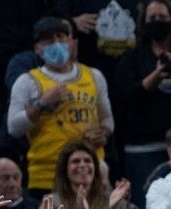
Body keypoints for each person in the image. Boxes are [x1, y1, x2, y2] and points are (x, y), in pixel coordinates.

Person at [7, 17, 115, 196]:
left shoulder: (94, 76)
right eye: (49, 39)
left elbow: (107, 119)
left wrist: (104, 132)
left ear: (71, 42)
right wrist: (42, 104)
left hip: (90, 173)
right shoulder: (27, 81)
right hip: (47, 176)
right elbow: (14, 128)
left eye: (61, 37)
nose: (56, 43)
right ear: (38, 49)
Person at [111, 0, 171, 208]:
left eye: (163, 18)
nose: (158, 22)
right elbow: (124, 98)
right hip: (142, 149)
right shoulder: (132, 58)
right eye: (152, 19)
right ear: (143, 23)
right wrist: (154, 77)